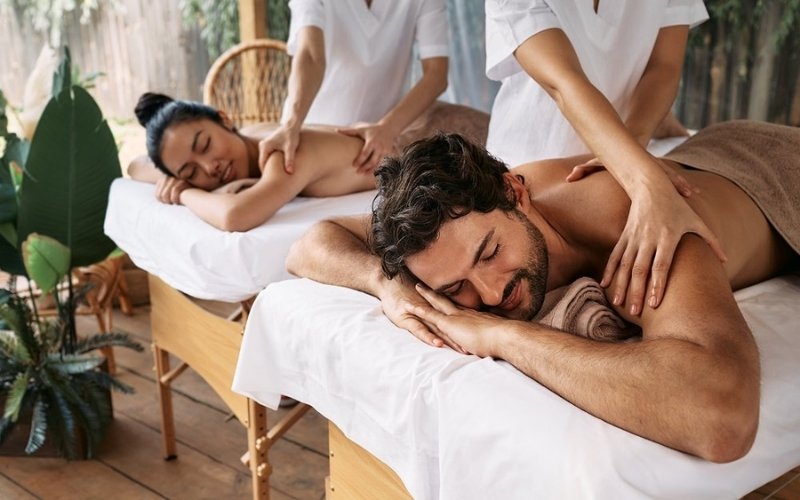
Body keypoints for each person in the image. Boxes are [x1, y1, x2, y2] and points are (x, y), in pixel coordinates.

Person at [286, 120, 800, 462]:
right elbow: (311, 243)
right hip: (705, 151)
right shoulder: (446, 229)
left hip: (778, 166)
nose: (490, 296)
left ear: (516, 192)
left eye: (489, 253)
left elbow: (722, 418)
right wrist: (387, 285)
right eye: (456, 287)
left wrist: (504, 338)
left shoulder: (630, 220)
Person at [484, 0, 724, 318]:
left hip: (619, 158)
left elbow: (663, 67)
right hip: (530, 175)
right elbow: (563, 82)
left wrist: (629, 155)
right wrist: (645, 182)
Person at [127, 92, 488, 232]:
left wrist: (184, 191)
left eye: (205, 145)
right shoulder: (249, 137)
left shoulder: (282, 153)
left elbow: (235, 216)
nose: (210, 168)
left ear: (224, 118)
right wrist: (170, 177)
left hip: (460, 138)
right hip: (431, 135)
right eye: (190, 171)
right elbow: (135, 165)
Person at [259, 0, 449, 175]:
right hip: (306, 133)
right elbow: (310, 55)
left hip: (375, 146)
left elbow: (436, 74)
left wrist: (388, 128)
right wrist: (291, 125)